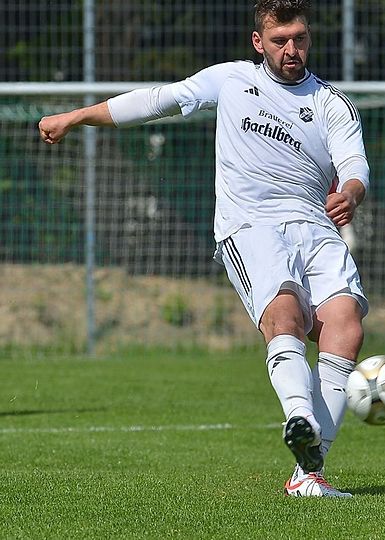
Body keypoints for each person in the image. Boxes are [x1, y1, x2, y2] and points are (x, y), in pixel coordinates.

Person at [39, 0, 367, 497]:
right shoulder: (230, 79)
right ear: (259, 43)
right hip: (251, 224)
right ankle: (300, 417)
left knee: (345, 325)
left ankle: (309, 470)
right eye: (280, 41)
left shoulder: (329, 101)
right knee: (285, 315)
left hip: (314, 223)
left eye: (299, 38)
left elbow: (354, 163)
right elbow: (155, 102)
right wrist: (78, 116)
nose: (292, 49)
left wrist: (350, 193)